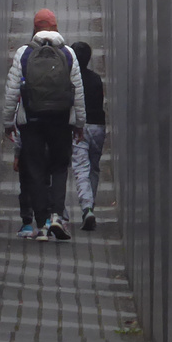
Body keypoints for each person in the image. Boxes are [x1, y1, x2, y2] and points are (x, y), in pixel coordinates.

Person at [3, 8, 86, 240]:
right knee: (60, 168)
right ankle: (57, 216)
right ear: (56, 27)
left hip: (31, 121)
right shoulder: (69, 54)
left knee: (36, 169)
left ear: (35, 28)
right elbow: (77, 92)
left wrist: (8, 121)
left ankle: (40, 223)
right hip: (61, 121)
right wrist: (80, 123)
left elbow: (12, 91)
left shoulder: (24, 53)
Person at [70, 41, 107, 230]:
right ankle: (90, 205)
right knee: (94, 168)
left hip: (80, 128)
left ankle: (86, 208)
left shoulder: (71, 80)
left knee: (81, 168)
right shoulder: (95, 79)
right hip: (98, 127)